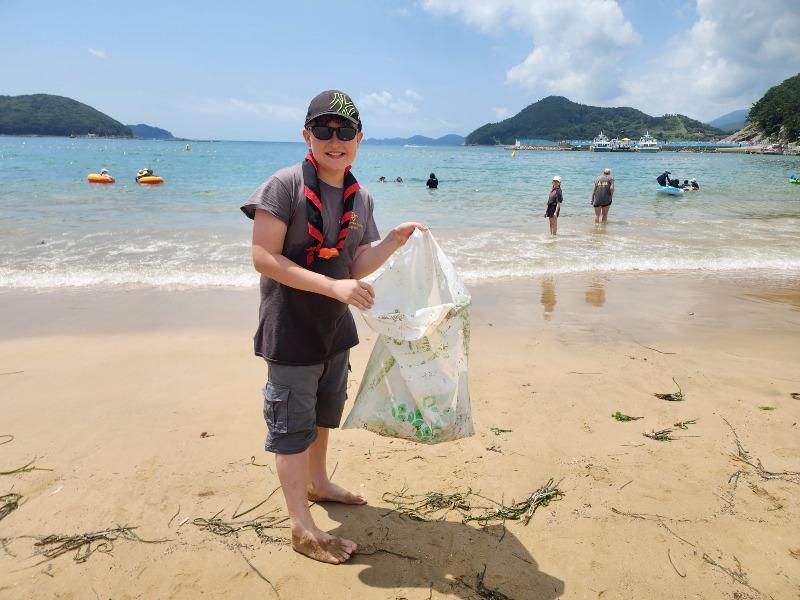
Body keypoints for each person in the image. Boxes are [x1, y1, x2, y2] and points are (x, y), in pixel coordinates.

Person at [240, 90, 425, 565]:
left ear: (359, 139)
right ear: (307, 136)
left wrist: (395, 243)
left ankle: (319, 484)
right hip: (291, 333)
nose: (334, 139)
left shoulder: (360, 197)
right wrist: (333, 287)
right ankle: (300, 525)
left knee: (325, 414)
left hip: (334, 333)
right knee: (291, 428)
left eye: (345, 131)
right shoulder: (282, 186)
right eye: (323, 130)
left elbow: (357, 263)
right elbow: (264, 257)